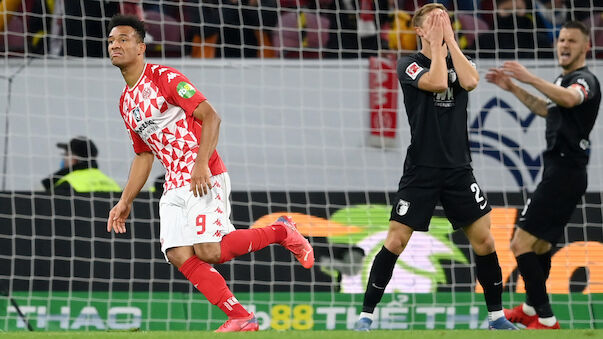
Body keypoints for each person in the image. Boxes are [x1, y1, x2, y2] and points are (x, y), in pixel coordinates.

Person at [104, 14, 314, 332]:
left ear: (141, 47)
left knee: (209, 251)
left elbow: (211, 117)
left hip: (204, 174)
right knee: (176, 252)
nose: (114, 45)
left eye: (123, 39)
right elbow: (144, 154)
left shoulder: (165, 77)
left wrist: (200, 163)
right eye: (110, 40)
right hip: (173, 182)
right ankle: (240, 316)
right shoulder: (125, 102)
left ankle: (282, 232)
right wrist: (125, 201)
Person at [353, 3, 517, 331]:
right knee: (396, 240)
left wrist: (450, 42)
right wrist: (439, 47)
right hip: (421, 169)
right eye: (434, 21)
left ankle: (497, 318)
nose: (442, 24)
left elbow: (470, 82)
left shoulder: (459, 59)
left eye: (446, 20)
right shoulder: (408, 64)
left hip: (458, 169)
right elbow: (438, 83)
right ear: (419, 30)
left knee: (484, 241)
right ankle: (366, 316)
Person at [486, 20, 601, 330]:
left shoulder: (585, 80)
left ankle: (547, 320)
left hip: (565, 173)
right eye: (561, 39)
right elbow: (547, 108)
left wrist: (528, 76)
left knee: (519, 245)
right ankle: (527, 309)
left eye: (572, 41)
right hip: (561, 171)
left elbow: (570, 99)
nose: (564, 45)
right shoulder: (561, 80)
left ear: (585, 46)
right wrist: (513, 87)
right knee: (539, 247)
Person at [41, 136, 121, 193]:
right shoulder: (112, 184)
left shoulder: (67, 185)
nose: (64, 159)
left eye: (66, 155)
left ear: (74, 158)